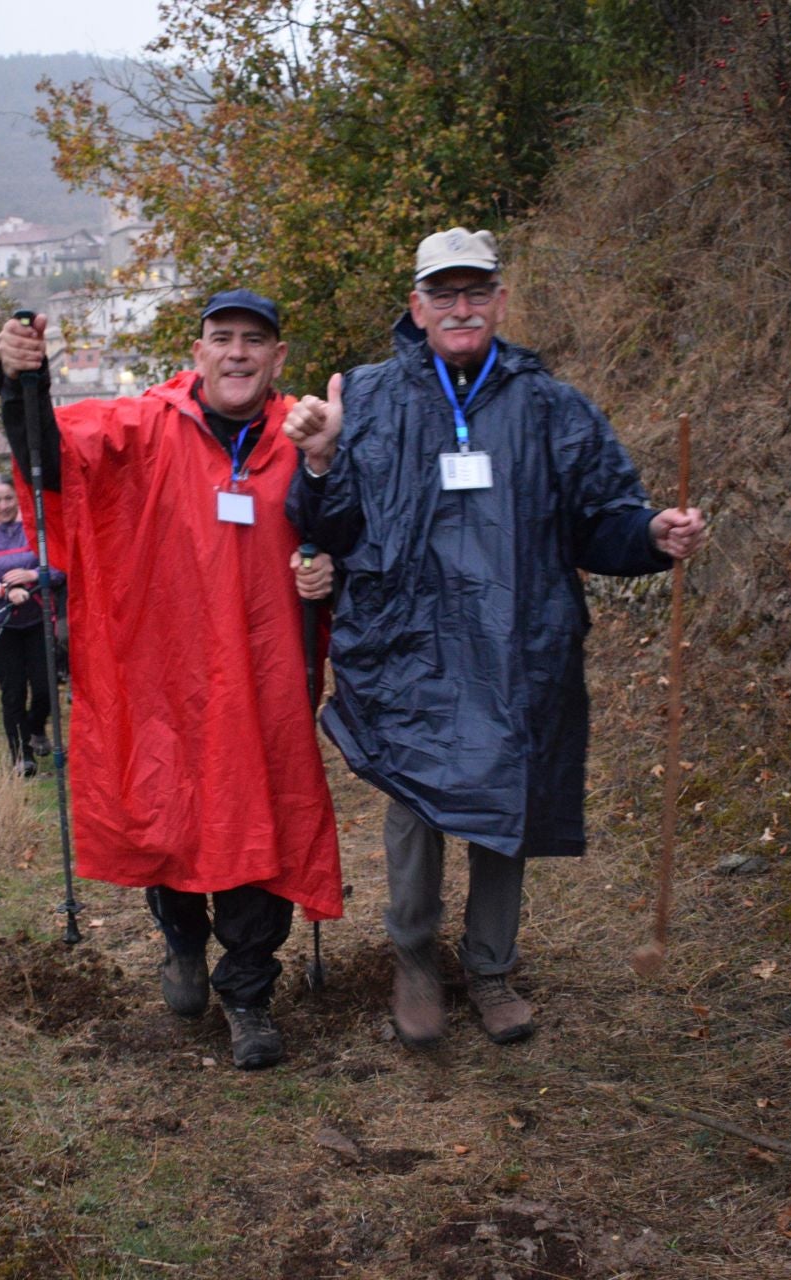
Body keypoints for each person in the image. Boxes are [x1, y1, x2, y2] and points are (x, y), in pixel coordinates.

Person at [283, 228, 707, 1048]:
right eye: (443, 293)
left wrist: (652, 533)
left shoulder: (551, 405)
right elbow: (325, 528)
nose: (461, 306)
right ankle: (414, 959)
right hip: (407, 647)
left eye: (476, 290)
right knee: (414, 807)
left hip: (517, 644)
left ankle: (490, 967)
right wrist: (325, 459)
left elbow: (601, 518)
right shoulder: (367, 399)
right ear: (417, 306)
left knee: (500, 806)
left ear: (501, 301)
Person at [0, 290, 342, 1069]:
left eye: (256, 341)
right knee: (174, 819)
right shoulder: (143, 424)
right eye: (224, 338)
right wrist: (24, 381)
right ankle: (182, 941)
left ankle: (248, 995)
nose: (239, 353)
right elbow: (49, 460)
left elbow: (344, 528)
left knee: (266, 829)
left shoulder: (300, 438)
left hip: (266, 683)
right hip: (166, 680)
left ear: (278, 358)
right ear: (199, 351)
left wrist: (332, 566)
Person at [0, 476, 60, 777]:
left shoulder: (36, 529)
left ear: (19, 499)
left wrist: (32, 577)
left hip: (37, 619)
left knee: (45, 688)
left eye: (9, 499)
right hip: (0, 623)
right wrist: (3, 591)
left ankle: (35, 729)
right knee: (14, 691)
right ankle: (22, 756)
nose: (4, 506)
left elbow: (59, 569)